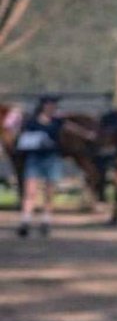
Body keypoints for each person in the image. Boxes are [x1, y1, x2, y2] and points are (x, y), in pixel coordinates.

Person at [15, 96, 66, 238]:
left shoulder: (58, 122)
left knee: (49, 191)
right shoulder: (31, 122)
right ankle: (25, 220)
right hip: (35, 157)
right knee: (30, 190)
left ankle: (46, 219)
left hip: (51, 157)